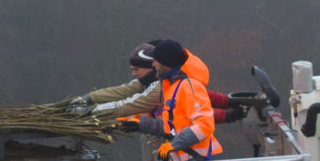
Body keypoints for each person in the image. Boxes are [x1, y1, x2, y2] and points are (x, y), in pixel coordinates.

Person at [74, 42, 247, 124]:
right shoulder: (170, 80)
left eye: (136, 69)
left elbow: (128, 104)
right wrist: (89, 99)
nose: (133, 74)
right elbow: (124, 91)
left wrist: (89, 111)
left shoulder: (165, 87)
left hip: (190, 159)